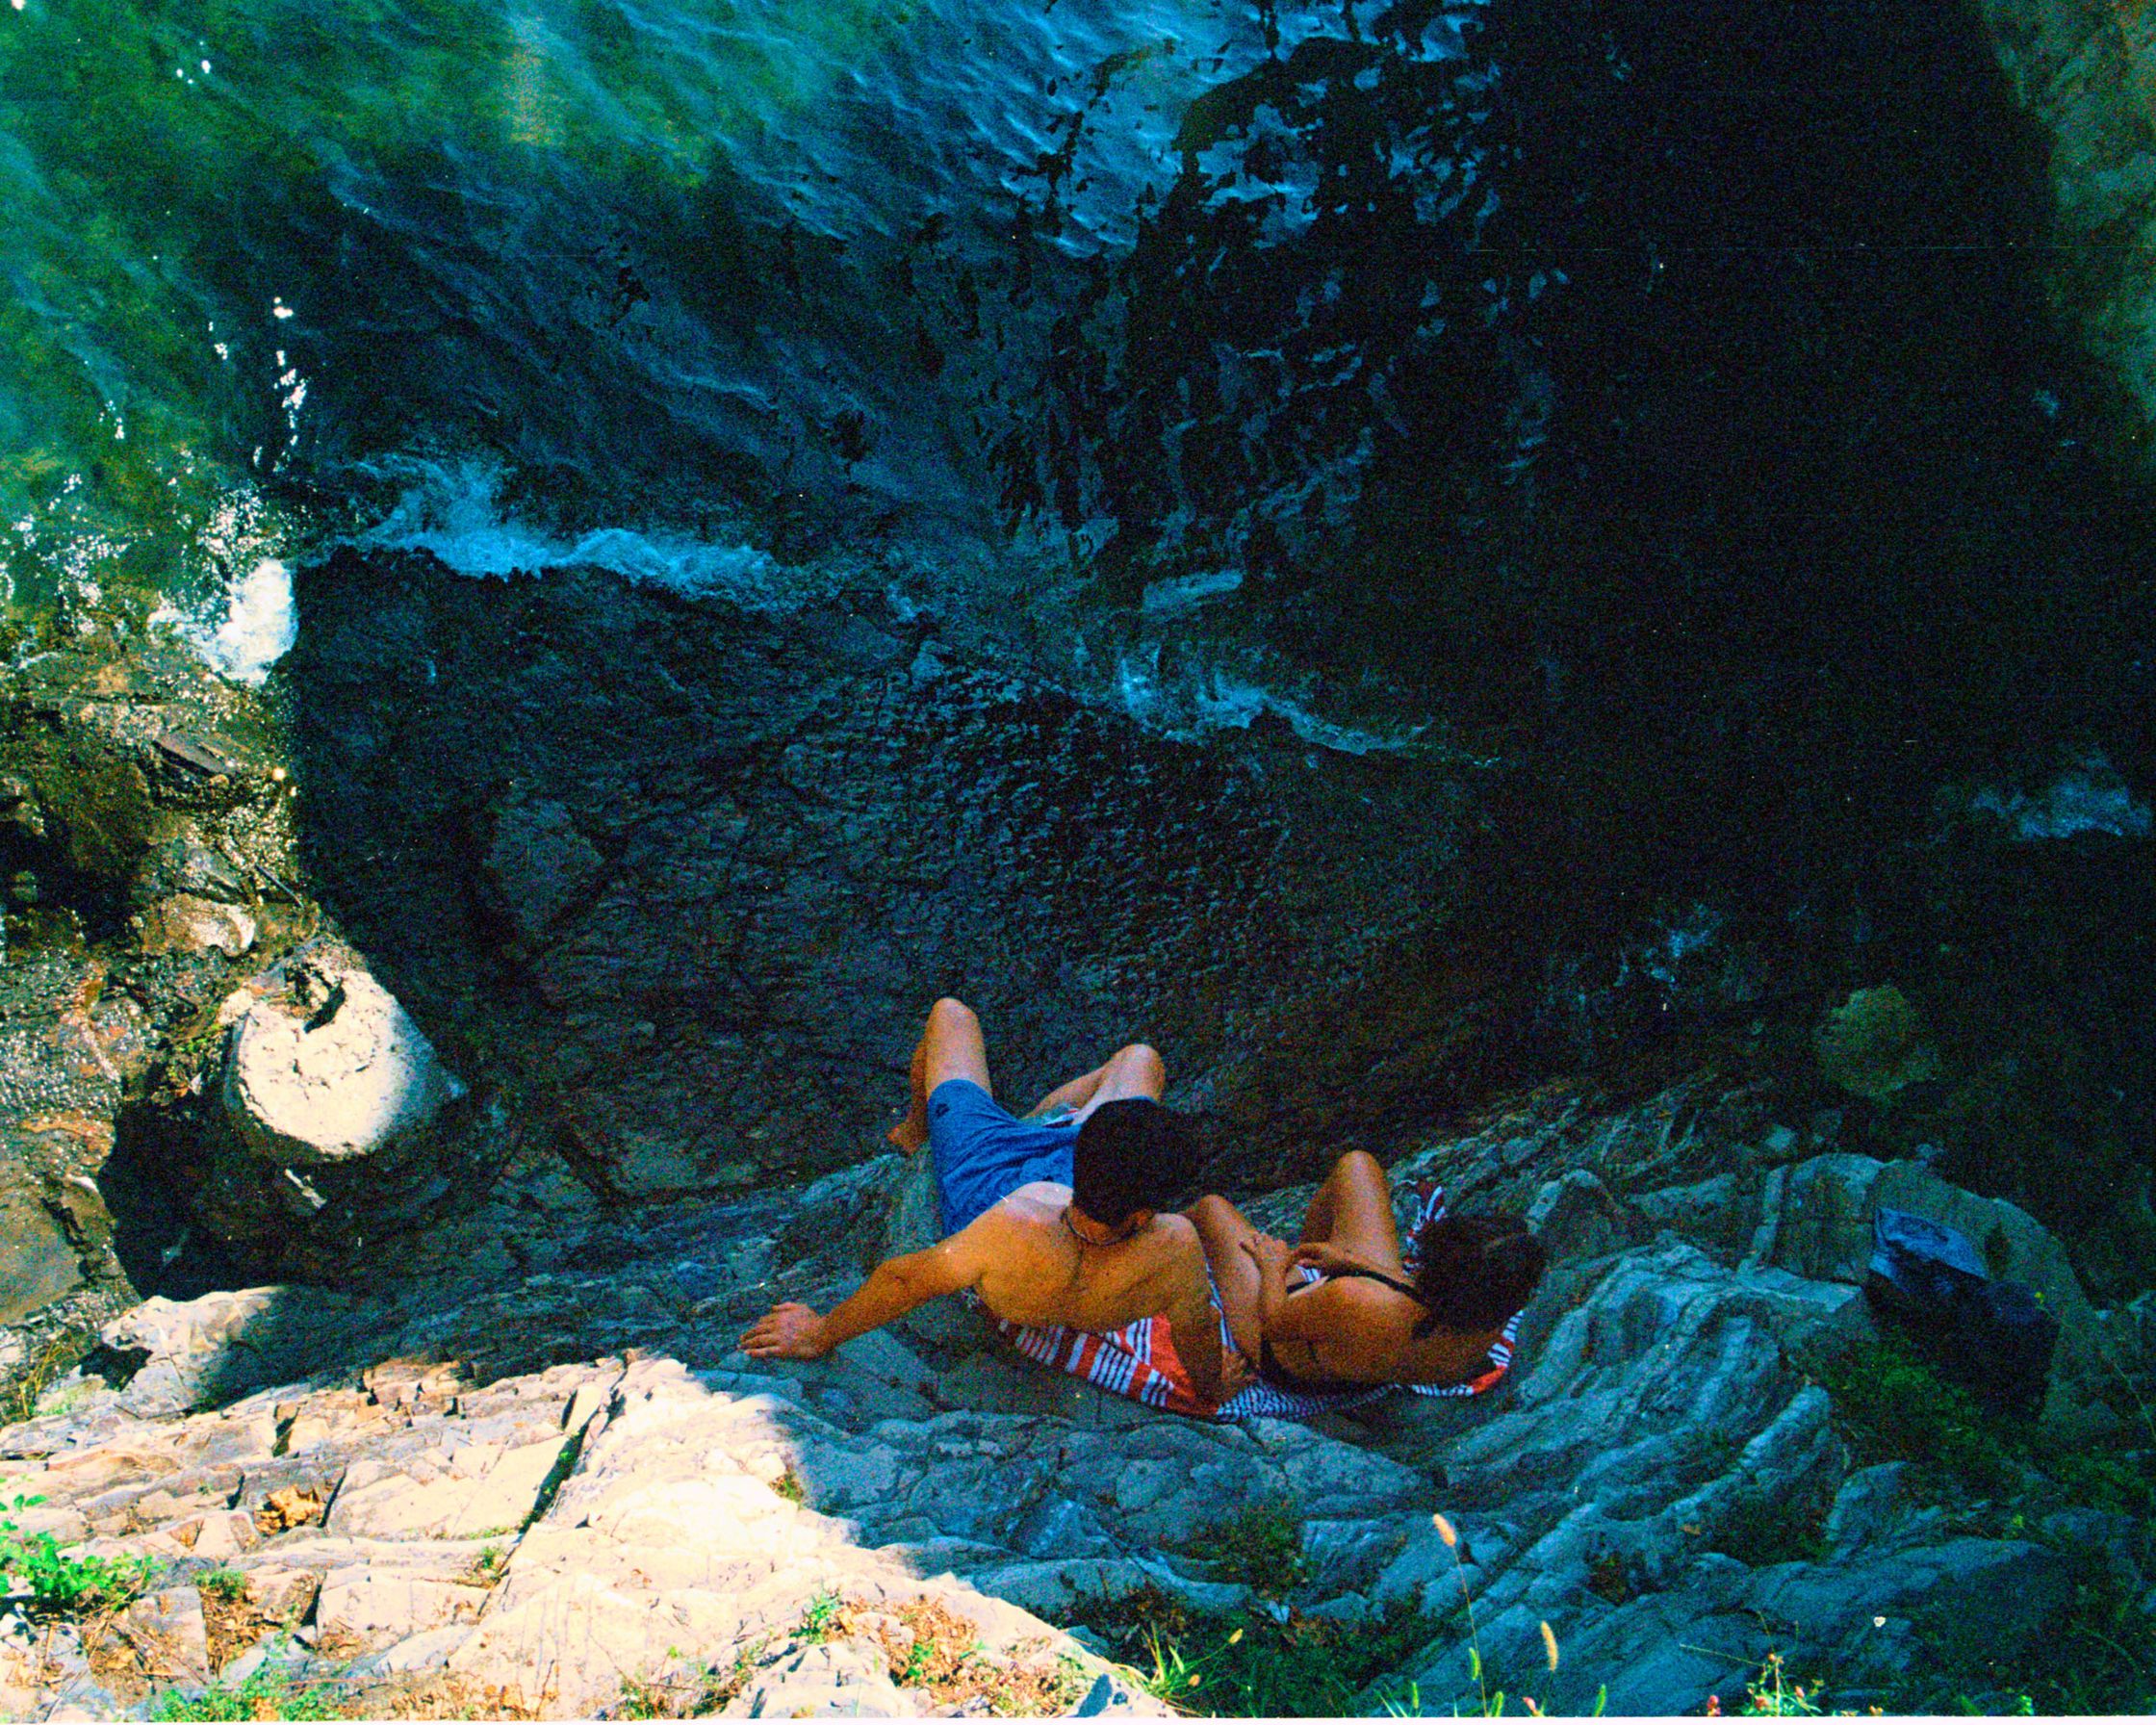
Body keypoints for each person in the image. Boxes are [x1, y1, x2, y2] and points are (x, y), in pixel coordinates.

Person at [740, 997, 1238, 1404]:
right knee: (1142, 1059)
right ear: (1144, 1214)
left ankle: (919, 1132)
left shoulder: (1019, 1222)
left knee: (950, 1015)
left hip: (986, 1178)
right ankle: (1038, 1127)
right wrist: (1212, 1392)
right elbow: (1196, 1329)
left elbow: (905, 1278)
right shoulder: (1174, 1247)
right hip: (1069, 1181)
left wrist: (821, 1333)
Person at [1187, 1149, 1543, 1397]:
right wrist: (1357, 1265)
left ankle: (1154, 1248)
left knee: (1210, 1209)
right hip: (1376, 1354)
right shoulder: (1492, 1311)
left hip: (1290, 1359)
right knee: (1357, 1165)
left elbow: (1275, 1322)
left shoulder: (1354, 1300)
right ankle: (1307, 1260)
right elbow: (1416, 1298)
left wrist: (1274, 1266)